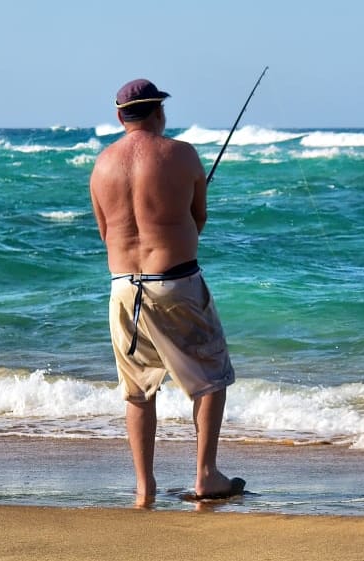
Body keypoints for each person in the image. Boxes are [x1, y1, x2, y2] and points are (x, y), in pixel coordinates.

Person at [89, 78, 244, 508]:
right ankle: (206, 474)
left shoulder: (101, 166)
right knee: (211, 379)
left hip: (123, 290)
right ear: (159, 112)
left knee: (137, 391)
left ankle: (144, 487)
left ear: (120, 116)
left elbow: (107, 234)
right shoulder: (182, 155)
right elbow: (198, 220)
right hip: (176, 283)